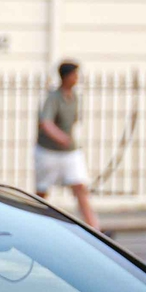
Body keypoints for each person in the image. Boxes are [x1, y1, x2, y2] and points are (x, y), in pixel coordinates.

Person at [33, 60, 98, 229]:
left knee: (80, 187)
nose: (77, 78)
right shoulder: (53, 98)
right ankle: (35, 223)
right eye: (75, 74)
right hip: (48, 151)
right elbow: (45, 122)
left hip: (69, 152)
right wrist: (60, 137)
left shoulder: (75, 97)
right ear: (66, 77)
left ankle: (94, 227)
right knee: (42, 190)